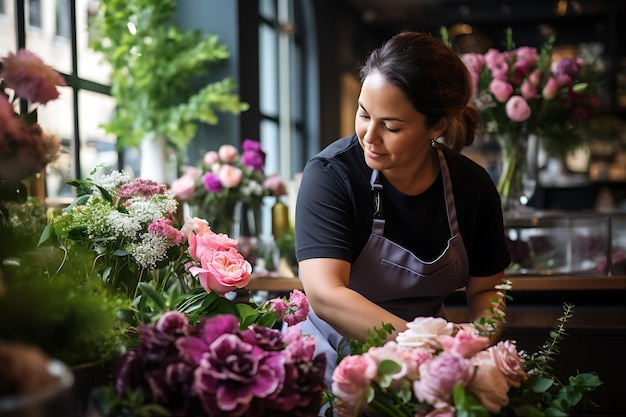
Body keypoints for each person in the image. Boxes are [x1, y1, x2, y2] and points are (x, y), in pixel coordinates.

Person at [294, 31, 511, 387]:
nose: (370, 136)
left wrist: (481, 335)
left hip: (427, 372)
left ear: (437, 126)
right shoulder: (332, 176)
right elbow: (325, 295)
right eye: (363, 115)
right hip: (335, 365)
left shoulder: (471, 186)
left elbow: (487, 289)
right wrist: (423, 344)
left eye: (391, 126)